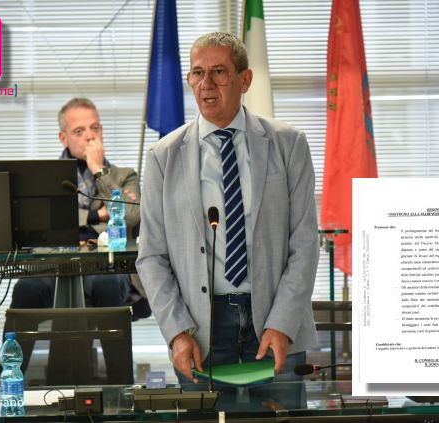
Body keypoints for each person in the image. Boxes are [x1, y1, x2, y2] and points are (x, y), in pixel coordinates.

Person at [136, 32, 319, 388]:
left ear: (244, 80)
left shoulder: (289, 144)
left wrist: (282, 323)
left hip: (274, 322)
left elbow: (305, 244)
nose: (206, 84)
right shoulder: (163, 157)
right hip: (201, 331)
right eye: (197, 73)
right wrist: (177, 332)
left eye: (219, 72)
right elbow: (152, 256)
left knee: (278, 414)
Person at [0, 98, 148, 385]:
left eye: (95, 128)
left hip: (104, 268)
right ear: (63, 137)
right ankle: (5, 383)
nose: (90, 136)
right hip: (52, 266)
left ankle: (121, 386)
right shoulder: (42, 178)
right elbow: (40, 220)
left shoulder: (123, 175)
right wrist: (94, 215)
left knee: (108, 285)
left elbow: (131, 215)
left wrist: (99, 171)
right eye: (79, 131)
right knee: (27, 288)